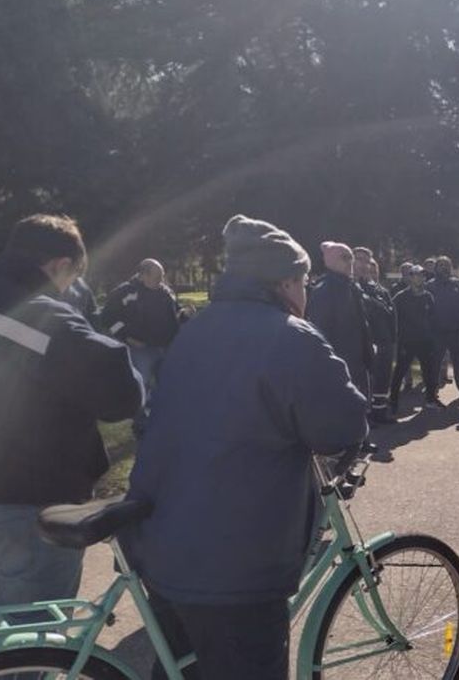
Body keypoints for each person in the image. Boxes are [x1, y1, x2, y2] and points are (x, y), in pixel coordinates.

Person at [124, 215, 368, 680]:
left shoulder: (196, 328)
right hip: (236, 560)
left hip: (162, 538)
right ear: (287, 282)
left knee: (183, 665)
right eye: (303, 282)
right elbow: (341, 425)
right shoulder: (291, 337)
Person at [0, 214, 142, 619]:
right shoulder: (36, 315)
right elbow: (120, 393)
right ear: (59, 265)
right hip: (27, 499)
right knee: (34, 638)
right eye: (71, 278)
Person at [103, 258, 181, 437]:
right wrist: (127, 337)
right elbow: (107, 318)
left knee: (166, 384)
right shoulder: (126, 292)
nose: (160, 281)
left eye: (162, 277)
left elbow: (174, 313)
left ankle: (162, 420)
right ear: (143, 275)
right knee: (142, 384)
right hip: (141, 348)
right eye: (156, 277)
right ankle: (140, 423)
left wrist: (183, 314)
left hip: (165, 346)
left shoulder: (166, 292)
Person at [307, 241, 373, 400]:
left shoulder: (352, 288)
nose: (350, 262)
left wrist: (368, 353)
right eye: (345, 258)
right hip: (337, 366)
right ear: (331, 261)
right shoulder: (323, 291)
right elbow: (320, 335)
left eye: (351, 257)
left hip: (357, 363)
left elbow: (361, 325)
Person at [390, 265, 442, 410]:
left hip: (425, 341)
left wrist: (433, 337)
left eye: (421, 275)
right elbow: (392, 317)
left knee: (428, 371)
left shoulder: (428, 296)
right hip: (406, 342)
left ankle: (431, 400)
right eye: (415, 275)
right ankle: (393, 401)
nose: (419, 278)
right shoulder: (400, 297)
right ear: (410, 277)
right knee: (400, 371)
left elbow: (433, 319)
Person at [355, 248, 397, 425]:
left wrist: (393, 339)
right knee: (367, 380)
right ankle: (367, 416)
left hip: (384, 340)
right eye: (361, 261)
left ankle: (381, 412)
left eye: (373, 268)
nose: (369, 270)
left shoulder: (380, 290)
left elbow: (391, 314)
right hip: (366, 342)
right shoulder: (352, 288)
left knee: (383, 378)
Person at [427, 255, 459, 399]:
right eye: (441, 265)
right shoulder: (430, 286)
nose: (444, 268)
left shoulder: (457, 284)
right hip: (437, 332)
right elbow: (425, 308)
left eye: (447, 265)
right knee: (434, 364)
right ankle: (432, 392)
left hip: (455, 331)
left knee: (458, 363)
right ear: (436, 268)